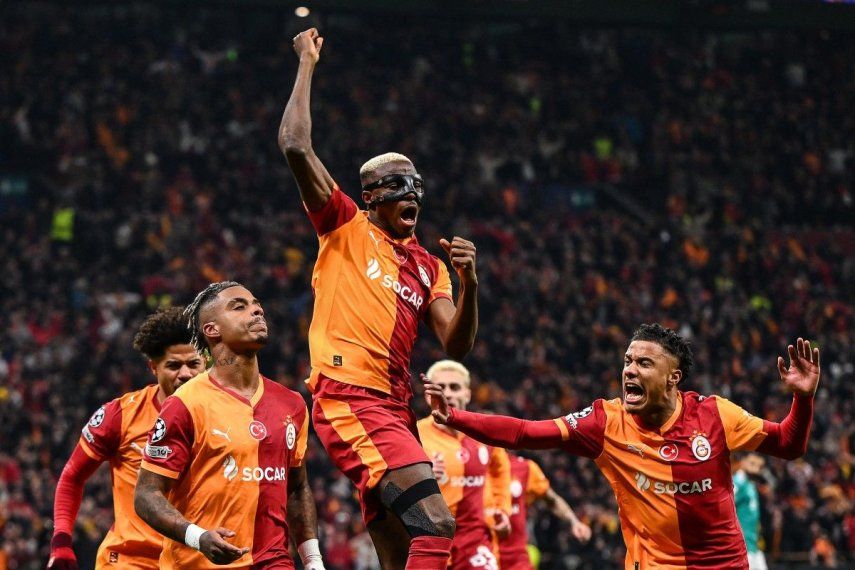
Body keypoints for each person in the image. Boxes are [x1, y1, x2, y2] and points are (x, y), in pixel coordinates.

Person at [279, 28, 479, 569]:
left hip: (395, 406)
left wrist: (470, 284)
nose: (408, 192)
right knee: (437, 524)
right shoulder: (342, 224)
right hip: (349, 396)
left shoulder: (430, 266)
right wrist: (306, 64)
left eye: (414, 184)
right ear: (369, 198)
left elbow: (454, 345)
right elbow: (296, 145)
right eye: (394, 185)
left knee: (402, 552)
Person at [424, 324, 820, 569]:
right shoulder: (605, 423)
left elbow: (788, 444)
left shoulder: (716, 415)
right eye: (628, 361)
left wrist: (802, 399)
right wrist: (454, 417)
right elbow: (528, 432)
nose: (630, 369)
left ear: (673, 377)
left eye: (644, 364)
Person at [134, 282, 325, 569]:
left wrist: (313, 561)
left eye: (257, 304)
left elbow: (298, 489)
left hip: (273, 561)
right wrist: (198, 537)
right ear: (212, 330)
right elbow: (146, 494)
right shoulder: (185, 403)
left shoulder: (292, 404)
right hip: (198, 562)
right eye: (240, 306)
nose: (257, 310)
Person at [47, 307, 206, 569]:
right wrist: (61, 542)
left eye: (193, 364)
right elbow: (73, 475)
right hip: (131, 560)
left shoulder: (225, 416)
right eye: (174, 365)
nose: (185, 374)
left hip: (196, 560)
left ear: (205, 363)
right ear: (153, 367)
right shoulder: (120, 415)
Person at [416, 360, 511, 570]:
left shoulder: (485, 432)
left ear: (467, 394)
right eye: (440, 388)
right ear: (428, 395)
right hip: (429, 540)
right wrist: (422, 475)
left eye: (455, 387)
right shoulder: (414, 435)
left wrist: (501, 509)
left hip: (475, 539)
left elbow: (500, 470)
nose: (448, 394)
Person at [499, 453, 592, 569]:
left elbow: (552, 500)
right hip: (481, 553)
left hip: (516, 559)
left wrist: (574, 521)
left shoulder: (525, 468)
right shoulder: (474, 465)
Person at [733, 453, 769, 570]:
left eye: (759, 466)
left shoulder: (750, 484)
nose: (756, 468)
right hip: (742, 545)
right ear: (742, 462)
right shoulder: (737, 482)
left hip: (754, 544)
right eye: (752, 463)